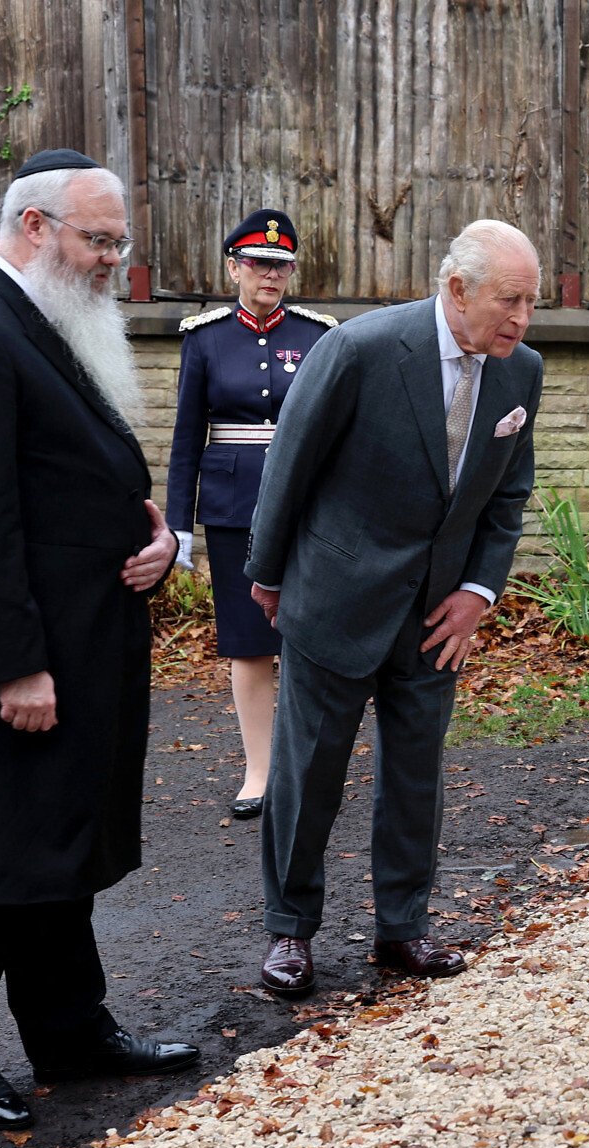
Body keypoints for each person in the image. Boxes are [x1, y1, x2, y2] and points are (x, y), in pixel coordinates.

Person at [0, 148, 200, 1130]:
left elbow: (70, 471)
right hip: (5, 654)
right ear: (35, 227)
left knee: (55, 843)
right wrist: (17, 662)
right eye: (99, 239)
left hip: (78, 637)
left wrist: (147, 528)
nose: (114, 258)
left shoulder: (45, 319)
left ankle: (70, 1030)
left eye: (119, 240)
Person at [243, 218, 542, 995]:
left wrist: (478, 593)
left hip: (436, 617)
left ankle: (402, 930)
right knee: (309, 774)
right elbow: (290, 465)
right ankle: (289, 932)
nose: (521, 319)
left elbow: (507, 498)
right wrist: (268, 575)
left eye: (532, 303)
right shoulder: (361, 349)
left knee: (416, 777)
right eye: (509, 301)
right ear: (456, 289)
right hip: (335, 598)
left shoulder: (521, 374)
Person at [165, 209, 337, 818]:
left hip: (306, 507)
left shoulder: (319, 336)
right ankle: (260, 772)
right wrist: (178, 525)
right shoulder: (205, 338)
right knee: (248, 642)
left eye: (282, 264)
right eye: (260, 264)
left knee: (309, 637)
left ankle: (307, 767)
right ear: (234, 267)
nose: (271, 274)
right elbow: (187, 438)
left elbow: (335, 434)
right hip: (234, 507)